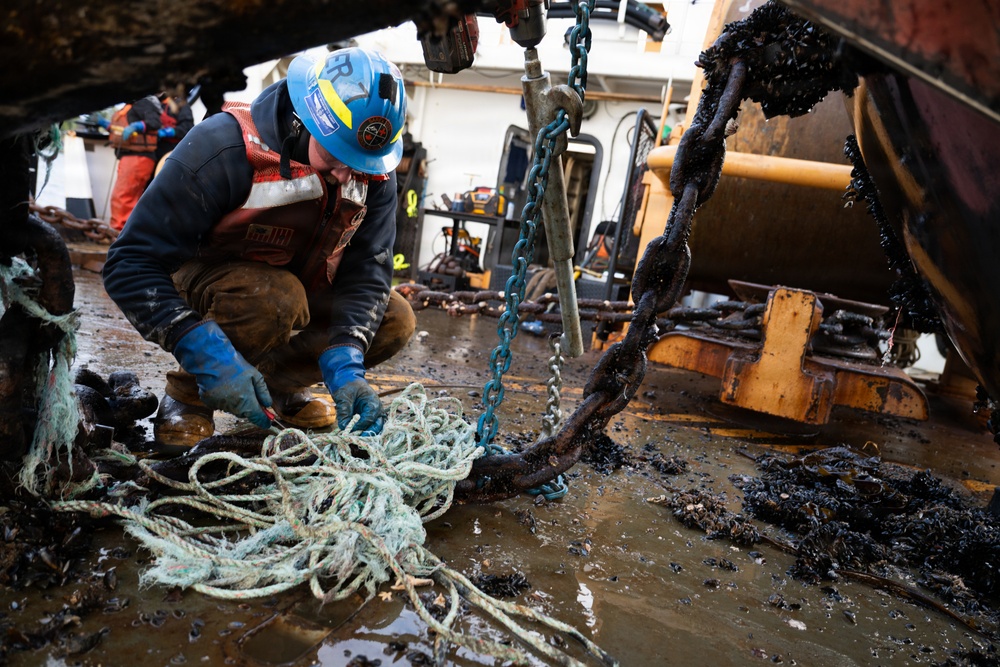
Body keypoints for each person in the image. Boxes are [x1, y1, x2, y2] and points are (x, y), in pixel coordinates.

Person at [102, 47, 416, 449]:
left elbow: (367, 270)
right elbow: (130, 262)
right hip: (213, 283)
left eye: (362, 163)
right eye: (336, 156)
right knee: (275, 297)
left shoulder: (372, 173)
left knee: (395, 318)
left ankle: (276, 389)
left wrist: (347, 360)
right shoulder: (223, 148)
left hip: (298, 288)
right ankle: (189, 396)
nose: (347, 174)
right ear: (303, 123)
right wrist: (198, 347)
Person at [100, 95, 162, 230]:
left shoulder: (143, 103)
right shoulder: (131, 106)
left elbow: (154, 122)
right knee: (129, 197)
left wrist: (138, 126)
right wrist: (107, 125)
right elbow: (122, 129)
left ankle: (118, 232)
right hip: (130, 158)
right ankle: (126, 233)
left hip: (137, 158)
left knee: (122, 197)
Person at [155, 89, 195, 167]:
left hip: (175, 153)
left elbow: (188, 128)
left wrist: (170, 131)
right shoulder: (151, 106)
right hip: (155, 154)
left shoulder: (179, 103)